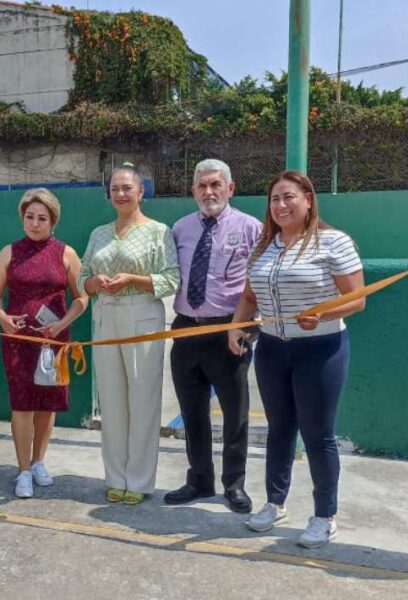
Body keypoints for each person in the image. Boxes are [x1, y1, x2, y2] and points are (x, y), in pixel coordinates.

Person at [228, 170, 364, 548]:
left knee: (318, 436)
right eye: (275, 199)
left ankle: (325, 516)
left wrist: (322, 314)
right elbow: (249, 297)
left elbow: (357, 297)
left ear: (308, 200)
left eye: (289, 197)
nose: (281, 205)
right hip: (272, 349)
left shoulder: (333, 242)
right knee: (279, 429)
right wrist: (235, 328)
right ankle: (275, 503)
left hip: (321, 350)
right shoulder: (265, 247)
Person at [79, 165, 180, 505]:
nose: (120, 194)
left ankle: (138, 480)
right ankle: (115, 477)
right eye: (115, 188)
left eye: (127, 188)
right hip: (106, 314)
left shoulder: (157, 232)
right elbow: (83, 277)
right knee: (111, 401)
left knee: (142, 400)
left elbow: (170, 278)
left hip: (143, 314)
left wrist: (132, 280)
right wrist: (93, 284)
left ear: (141, 192)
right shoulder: (98, 233)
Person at [165, 160, 261, 513]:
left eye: (215, 185)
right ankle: (199, 480)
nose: (209, 192)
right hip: (186, 328)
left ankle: (233, 485)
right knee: (192, 412)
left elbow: (259, 283)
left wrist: (248, 327)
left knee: (235, 414)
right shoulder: (179, 229)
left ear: (230, 188)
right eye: (202, 186)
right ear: (193, 191)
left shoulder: (252, 228)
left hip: (229, 330)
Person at [0, 188, 88, 499]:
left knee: (47, 403)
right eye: (29, 217)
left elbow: (82, 297)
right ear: (22, 219)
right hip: (18, 340)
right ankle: (22, 471)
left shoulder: (66, 253)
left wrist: (62, 325)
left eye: (41, 218)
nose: (35, 223)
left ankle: (39, 461)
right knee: (22, 404)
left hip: (53, 341)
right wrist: (2, 316)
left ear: (53, 221)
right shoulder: (9, 253)